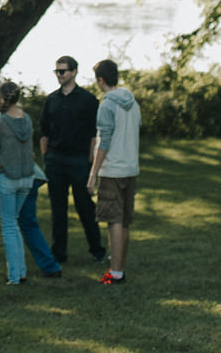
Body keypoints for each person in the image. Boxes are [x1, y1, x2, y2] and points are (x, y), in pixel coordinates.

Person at [40, 54, 106, 266]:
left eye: (63, 71)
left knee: (85, 207)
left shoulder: (88, 100)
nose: (59, 75)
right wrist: (46, 158)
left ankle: (97, 250)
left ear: (74, 72)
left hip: (79, 161)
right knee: (57, 211)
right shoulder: (51, 100)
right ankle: (59, 253)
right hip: (56, 161)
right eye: (57, 71)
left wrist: (90, 164)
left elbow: (93, 135)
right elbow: (44, 132)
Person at [86, 59, 142, 285]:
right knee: (124, 221)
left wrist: (93, 174)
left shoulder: (107, 104)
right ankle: (119, 268)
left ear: (101, 80)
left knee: (114, 221)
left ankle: (116, 272)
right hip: (130, 168)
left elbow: (104, 142)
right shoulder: (132, 102)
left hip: (113, 171)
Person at [0, 79, 41, 284]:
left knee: (9, 225)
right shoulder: (26, 119)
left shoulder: (1, 122)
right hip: (27, 178)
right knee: (14, 223)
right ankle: (21, 272)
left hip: (8, 178)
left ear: (0, 98)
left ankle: (14, 276)